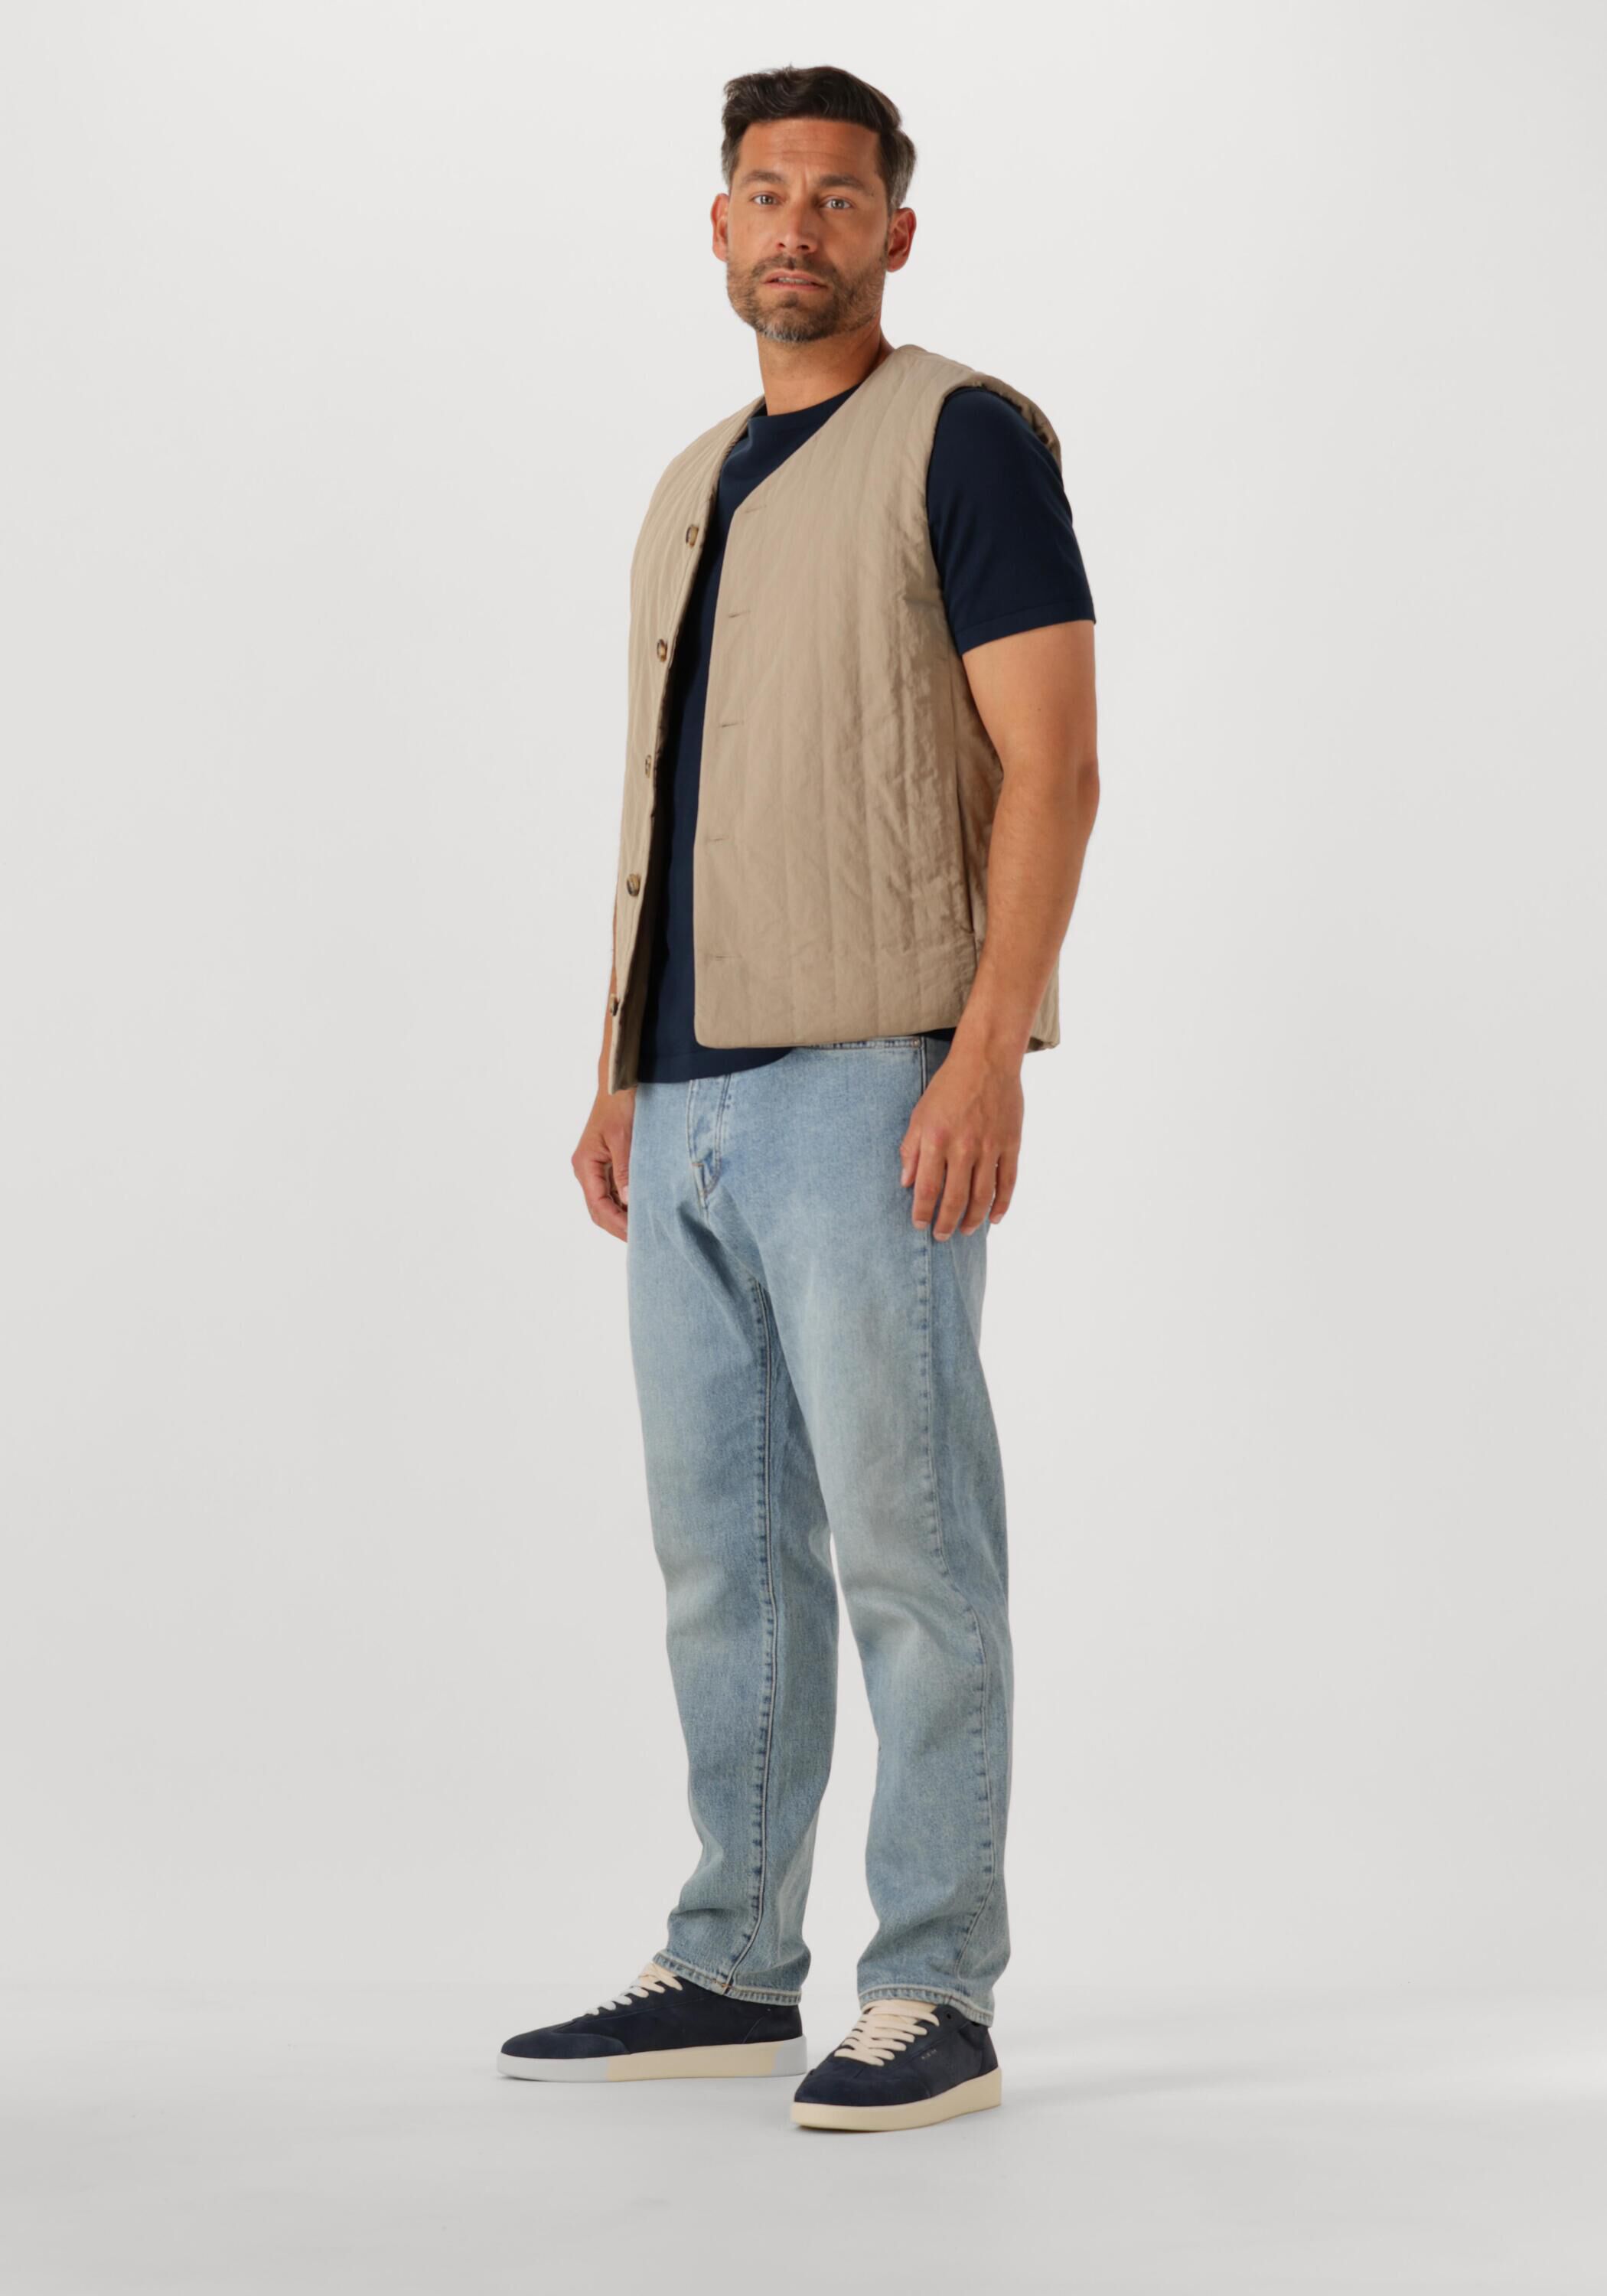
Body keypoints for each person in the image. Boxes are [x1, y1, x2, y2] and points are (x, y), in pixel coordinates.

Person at [501, 63, 1099, 2134]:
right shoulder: (691, 480)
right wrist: (617, 1071)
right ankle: (732, 1959)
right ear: (718, 225)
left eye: (838, 197)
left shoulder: (963, 436)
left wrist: (984, 1049)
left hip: (870, 1077)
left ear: (893, 233)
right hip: (682, 1097)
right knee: (722, 1564)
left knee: (911, 1556)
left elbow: (1054, 764)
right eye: (765, 192)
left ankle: (935, 1987)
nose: (798, 227)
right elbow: (670, 800)